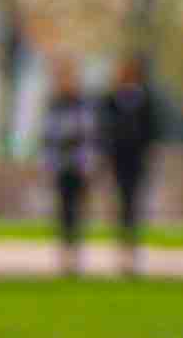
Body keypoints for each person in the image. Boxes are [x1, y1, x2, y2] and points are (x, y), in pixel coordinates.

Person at [89, 57, 163, 269]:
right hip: (117, 158)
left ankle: (130, 246)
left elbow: (153, 129)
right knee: (121, 201)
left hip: (136, 158)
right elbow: (102, 128)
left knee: (132, 201)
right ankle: (123, 245)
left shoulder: (144, 99)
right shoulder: (111, 99)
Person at [44, 56, 101, 270]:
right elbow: (49, 136)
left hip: (78, 164)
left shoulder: (81, 104)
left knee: (77, 209)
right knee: (63, 210)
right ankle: (65, 253)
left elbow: (88, 135)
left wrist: (88, 163)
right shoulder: (54, 105)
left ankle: (75, 252)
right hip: (62, 164)